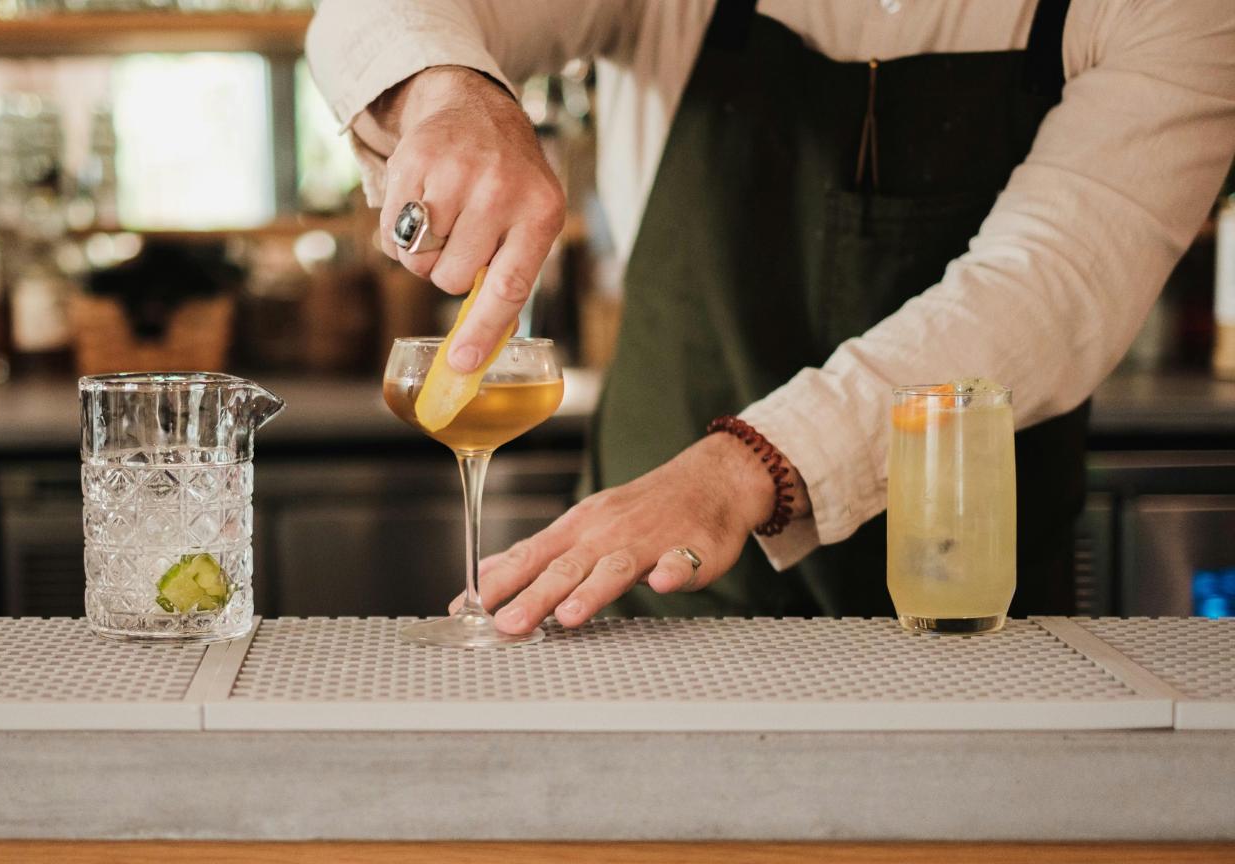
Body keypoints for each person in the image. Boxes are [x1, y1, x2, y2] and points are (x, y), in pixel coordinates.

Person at [306, 0, 1235, 635]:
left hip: (972, 623)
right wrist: (451, 91)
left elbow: (1046, 285)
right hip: (654, 609)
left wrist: (742, 469)